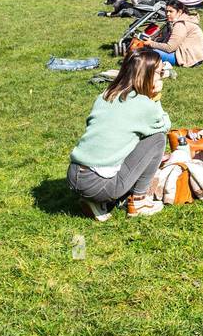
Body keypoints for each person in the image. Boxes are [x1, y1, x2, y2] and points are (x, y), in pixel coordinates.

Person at [67, 50, 172, 221]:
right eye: (160, 72)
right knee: (157, 138)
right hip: (99, 185)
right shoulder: (144, 105)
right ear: (148, 75)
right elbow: (165, 125)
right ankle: (139, 201)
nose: (163, 76)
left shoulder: (106, 94)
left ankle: (94, 201)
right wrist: (156, 97)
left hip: (74, 174)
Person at [141, 1, 203, 68]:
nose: (167, 14)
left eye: (171, 11)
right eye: (166, 11)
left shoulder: (180, 25)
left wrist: (151, 43)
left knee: (147, 53)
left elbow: (170, 48)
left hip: (187, 58)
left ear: (179, 12)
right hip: (197, 57)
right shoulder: (185, 19)